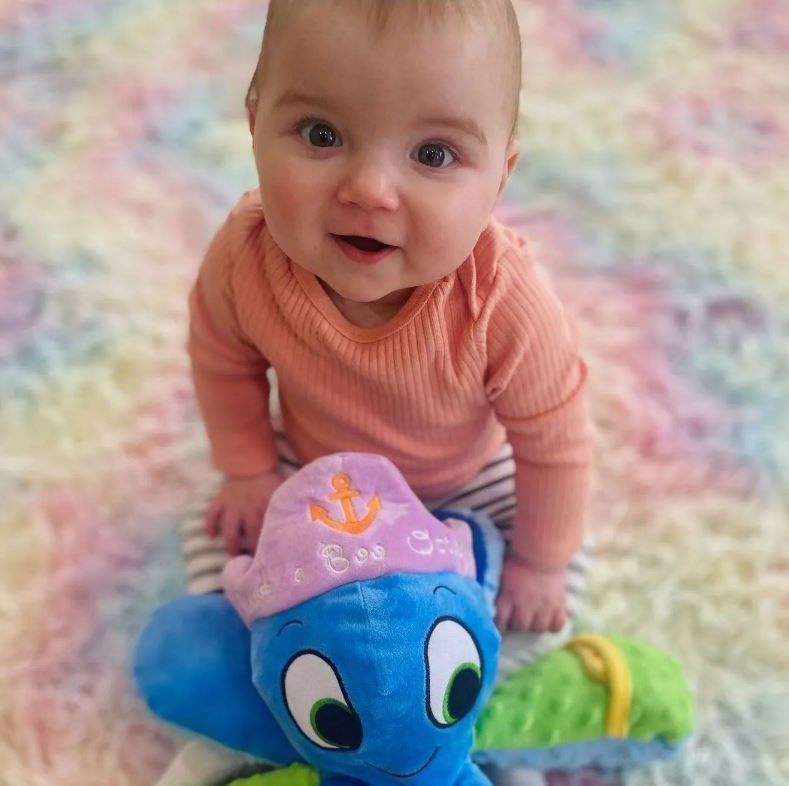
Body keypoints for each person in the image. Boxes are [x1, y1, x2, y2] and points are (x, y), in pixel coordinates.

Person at [185, 0, 592, 642]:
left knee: (539, 602)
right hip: (316, 467)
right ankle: (286, 686)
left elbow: (556, 445)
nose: (369, 188)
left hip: (465, 484)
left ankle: (448, 705)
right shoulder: (246, 254)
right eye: (322, 135)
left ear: (499, 178)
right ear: (256, 123)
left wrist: (540, 564)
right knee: (219, 556)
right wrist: (248, 470)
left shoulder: (500, 298)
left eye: (433, 153)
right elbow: (221, 359)